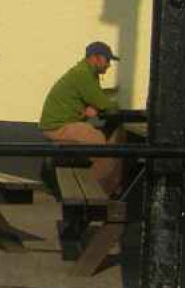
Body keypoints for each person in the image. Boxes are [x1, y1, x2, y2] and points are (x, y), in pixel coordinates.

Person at [39, 41, 122, 194]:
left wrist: (95, 106)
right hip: (58, 126)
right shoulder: (83, 74)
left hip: (62, 124)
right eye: (107, 60)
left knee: (97, 139)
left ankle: (96, 187)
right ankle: (96, 191)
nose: (109, 64)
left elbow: (96, 100)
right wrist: (103, 105)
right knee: (99, 142)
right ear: (96, 58)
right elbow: (105, 104)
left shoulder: (87, 73)